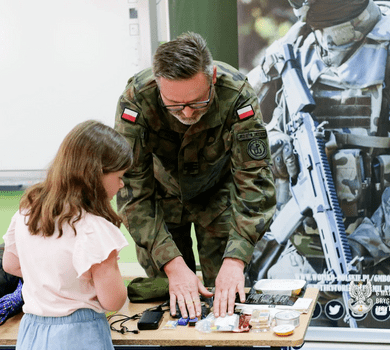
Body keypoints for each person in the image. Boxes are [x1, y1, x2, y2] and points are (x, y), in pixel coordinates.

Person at [246, 0, 390, 326]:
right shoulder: (294, 45)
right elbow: (246, 130)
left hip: (377, 268)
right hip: (301, 260)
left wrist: (362, 245)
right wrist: (274, 147)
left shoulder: (385, 48)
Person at [114, 32, 276, 320]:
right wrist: (172, 265)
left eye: (197, 102)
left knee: (227, 298)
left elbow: (254, 181)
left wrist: (236, 259)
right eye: (174, 105)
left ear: (212, 76)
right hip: (160, 201)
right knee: (173, 301)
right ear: (159, 85)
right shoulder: (137, 99)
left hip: (217, 196)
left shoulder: (237, 95)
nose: (187, 112)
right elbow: (132, 190)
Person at [2, 120, 132, 349]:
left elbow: (11, 265)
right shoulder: (94, 228)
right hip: (79, 334)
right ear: (96, 175)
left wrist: (51, 279)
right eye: (119, 176)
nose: (121, 184)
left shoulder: (27, 212)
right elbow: (112, 300)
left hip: (32, 332)